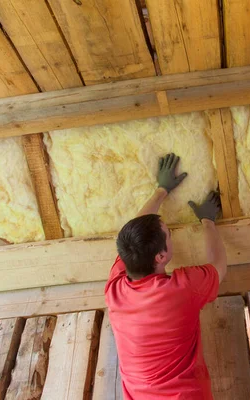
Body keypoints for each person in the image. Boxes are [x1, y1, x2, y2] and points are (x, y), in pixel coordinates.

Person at [105, 153, 227, 399]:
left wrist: (161, 190)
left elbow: (135, 227)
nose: (171, 235)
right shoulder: (182, 289)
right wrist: (207, 222)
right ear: (160, 256)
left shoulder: (115, 288)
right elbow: (219, 266)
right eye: (169, 235)